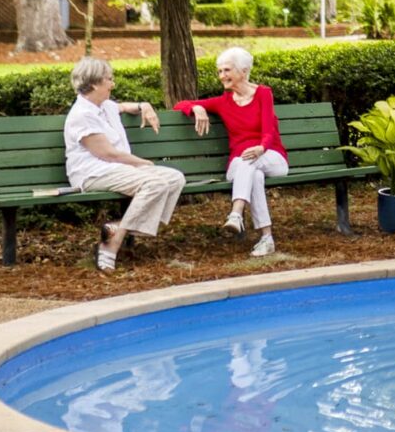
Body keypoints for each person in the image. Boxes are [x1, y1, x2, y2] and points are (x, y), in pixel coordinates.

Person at [63, 56, 183, 272]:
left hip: (119, 169)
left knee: (175, 178)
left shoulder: (105, 105)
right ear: (93, 84)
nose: (113, 83)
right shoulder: (81, 115)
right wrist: (143, 163)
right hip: (92, 173)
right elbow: (108, 154)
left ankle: (119, 228)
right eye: (109, 79)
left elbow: (124, 107)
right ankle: (112, 244)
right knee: (155, 183)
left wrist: (143, 106)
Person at [170, 46, 286, 259]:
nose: (222, 76)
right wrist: (196, 108)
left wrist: (261, 147)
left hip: (271, 156)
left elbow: (269, 130)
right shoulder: (223, 102)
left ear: (243, 71)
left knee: (251, 162)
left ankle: (236, 213)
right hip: (241, 163)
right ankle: (266, 238)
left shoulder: (263, 94)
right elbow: (180, 105)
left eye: (227, 70)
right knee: (253, 173)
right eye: (220, 71)